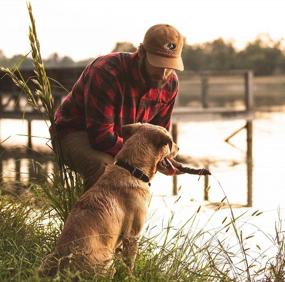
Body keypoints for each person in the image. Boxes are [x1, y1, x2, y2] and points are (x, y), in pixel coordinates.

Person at [53, 24, 185, 190]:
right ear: (142, 52)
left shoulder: (170, 83)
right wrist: (143, 156)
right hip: (75, 132)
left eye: (170, 65)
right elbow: (101, 138)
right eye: (158, 64)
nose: (163, 73)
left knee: (139, 179)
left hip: (120, 141)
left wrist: (162, 158)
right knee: (106, 170)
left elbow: (159, 135)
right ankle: (91, 215)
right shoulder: (106, 71)